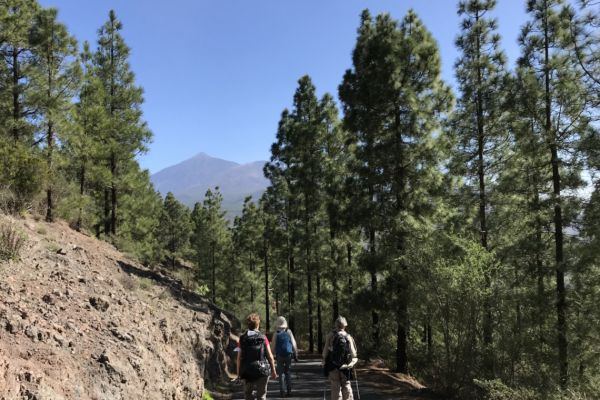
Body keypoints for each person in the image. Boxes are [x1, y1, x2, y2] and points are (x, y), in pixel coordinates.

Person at [236, 313, 278, 400]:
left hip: (247, 371)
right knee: (261, 396)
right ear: (258, 324)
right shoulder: (263, 337)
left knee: (248, 395)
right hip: (262, 371)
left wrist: (238, 374)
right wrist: (273, 370)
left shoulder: (242, 338)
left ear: (248, 325)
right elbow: (270, 356)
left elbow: (239, 358)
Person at [322, 316, 358, 400]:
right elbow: (354, 353)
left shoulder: (330, 336)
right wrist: (351, 363)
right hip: (346, 366)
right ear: (345, 325)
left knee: (335, 387)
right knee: (346, 385)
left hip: (333, 366)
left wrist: (324, 361)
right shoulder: (348, 336)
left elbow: (324, 353)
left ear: (336, 325)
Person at [270, 316, 298, 397]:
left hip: (279, 355)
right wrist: (295, 353)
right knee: (288, 372)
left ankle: (282, 392)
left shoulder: (276, 333)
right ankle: (289, 391)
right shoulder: (289, 332)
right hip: (288, 354)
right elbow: (294, 343)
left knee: (281, 373)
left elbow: (273, 346)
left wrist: (272, 355)